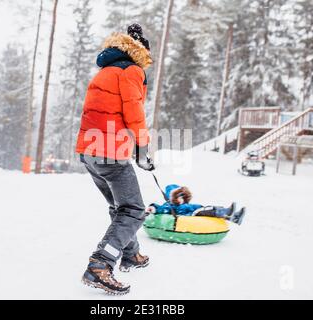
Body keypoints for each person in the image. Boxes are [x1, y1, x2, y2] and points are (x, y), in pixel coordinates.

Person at [75, 24, 154, 295]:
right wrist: (143, 152)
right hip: (110, 152)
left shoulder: (105, 71)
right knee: (133, 210)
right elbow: (135, 114)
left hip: (89, 151)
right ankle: (101, 263)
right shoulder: (132, 71)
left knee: (119, 206)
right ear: (140, 51)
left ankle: (131, 254)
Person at [146, 184, 246, 225]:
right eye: (179, 196)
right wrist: (154, 208)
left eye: (183, 197)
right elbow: (162, 209)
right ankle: (227, 212)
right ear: (173, 197)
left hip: (195, 212)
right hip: (190, 216)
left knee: (208, 210)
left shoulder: (185, 205)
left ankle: (235, 217)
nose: (181, 199)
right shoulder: (170, 206)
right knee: (205, 210)